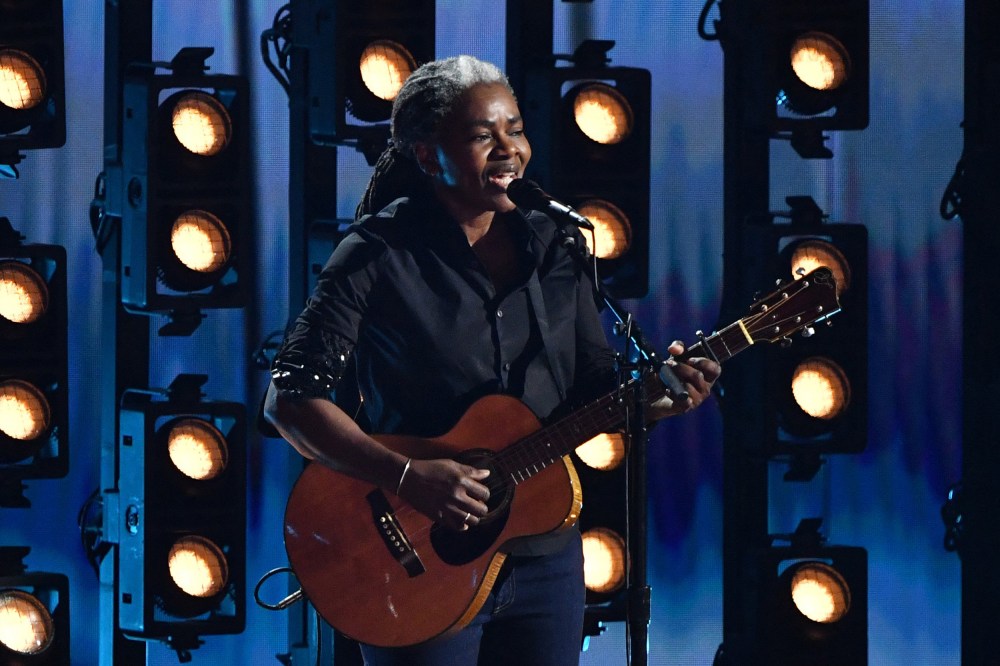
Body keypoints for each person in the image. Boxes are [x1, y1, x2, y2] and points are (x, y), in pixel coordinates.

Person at [263, 54, 720, 666]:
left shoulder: (559, 246)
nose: (510, 150)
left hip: (545, 553)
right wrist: (408, 477)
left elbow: (590, 386)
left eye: (517, 130)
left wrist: (658, 400)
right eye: (484, 136)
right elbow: (291, 400)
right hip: (418, 559)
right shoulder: (376, 252)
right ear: (429, 157)